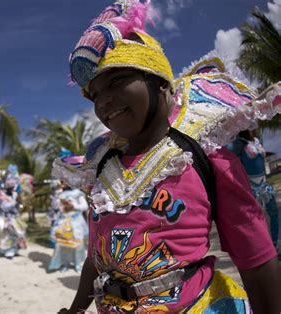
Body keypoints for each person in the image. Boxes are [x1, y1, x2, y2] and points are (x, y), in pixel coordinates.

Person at [53, 1, 281, 313]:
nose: (104, 100)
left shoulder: (206, 157)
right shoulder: (101, 168)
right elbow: (96, 257)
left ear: (159, 81)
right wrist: (76, 308)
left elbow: (255, 261)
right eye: (95, 94)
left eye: (117, 80)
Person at [227, 130, 280, 252]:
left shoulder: (255, 141)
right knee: (255, 220)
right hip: (251, 188)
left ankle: (273, 245)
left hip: (264, 185)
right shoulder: (237, 143)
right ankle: (261, 248)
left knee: (273, 215)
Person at [47, 179, 89, 273]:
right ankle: (64, 263)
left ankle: (78, 264)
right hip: (63, 221)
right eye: (63, 181)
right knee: (63, 243)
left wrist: (73, 206)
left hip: (76, 222)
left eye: (66, 180)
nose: (64, 183)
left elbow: (85, 206)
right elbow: (55, 207)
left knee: (78, 244)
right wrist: (57, 195)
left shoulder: (78, 193)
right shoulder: (60, 194)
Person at [0, 164, 27, 258]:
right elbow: (3, 207)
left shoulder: (16, 195)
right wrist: (14, 203)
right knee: (6, 235)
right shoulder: (1, 195)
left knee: (18, 234)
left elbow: (19, 208)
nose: (12, 187)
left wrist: (19, 203)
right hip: (6, 219)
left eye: (13, 184)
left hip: (15, 218)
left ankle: (14, 249)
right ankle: (6, 250)